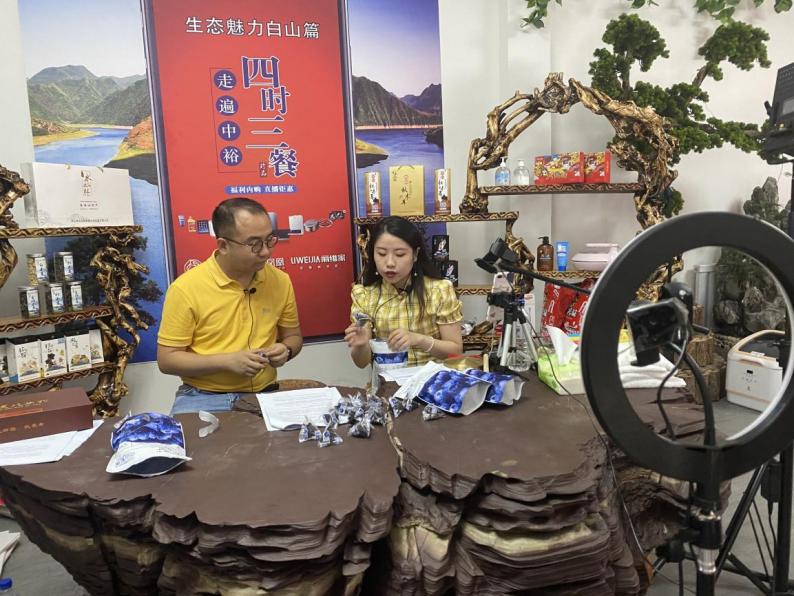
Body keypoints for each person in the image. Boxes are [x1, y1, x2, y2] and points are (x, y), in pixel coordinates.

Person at [157, 198, 303, 414]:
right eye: (254, 244)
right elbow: (167, 360)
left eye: (269, 240)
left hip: (263, 393)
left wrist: (286, 350)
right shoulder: (186, 288)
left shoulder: (280, 281)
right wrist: (226, 362)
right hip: (203, 396)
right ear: (223, 245)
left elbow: (294, 337)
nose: (265, 252)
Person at [344, 216, 463, 368]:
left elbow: (455, 351)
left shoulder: (439, 290)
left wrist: (419, 340)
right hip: (388, 381)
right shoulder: (364, 295)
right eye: (381, 254)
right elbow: (361, 363)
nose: (390, 263)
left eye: (400, 254)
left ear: (415, 254)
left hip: (432, 380)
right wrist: (361, 346)